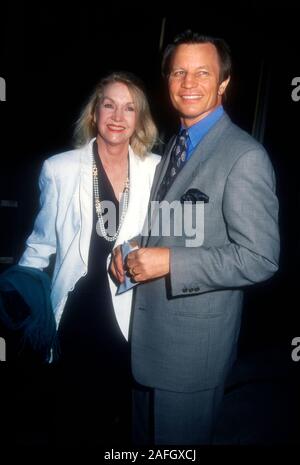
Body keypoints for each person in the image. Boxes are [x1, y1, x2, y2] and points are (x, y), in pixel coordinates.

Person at [112, 31, 280, 445]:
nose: (189, 83)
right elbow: (169, 225)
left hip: (191, 360)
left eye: (202, 72)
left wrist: (171, 263)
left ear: (223, 83)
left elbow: (260, 258)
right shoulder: (176, 145)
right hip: (147, 346)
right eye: (179, 72)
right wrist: (131, 247)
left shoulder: (244, 156)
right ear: (167, 80)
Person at [18, 71, 160, 446]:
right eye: (109, 104)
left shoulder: (156, 170)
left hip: (133, 314)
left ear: (139, 118)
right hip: (77, 314)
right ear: (95, 112)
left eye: (129, 108)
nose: (117, 116)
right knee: (74, 419)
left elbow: (166, 237)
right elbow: (41, 244)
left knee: (123, 424)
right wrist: (20, 301)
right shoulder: (59, 169)